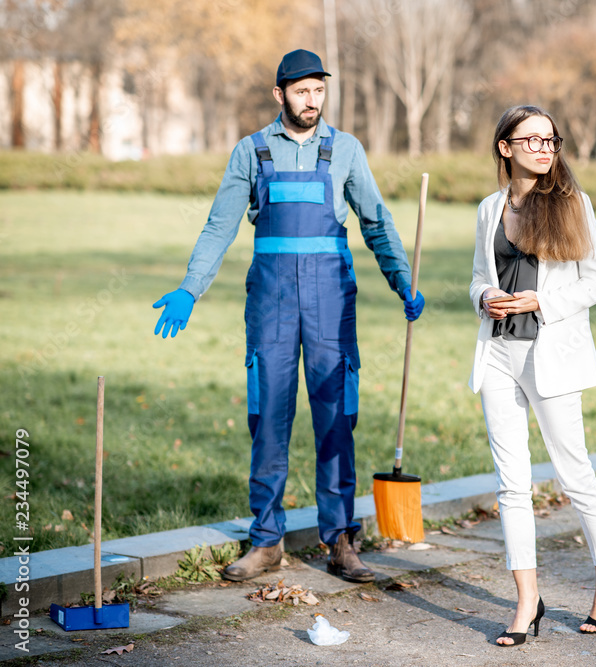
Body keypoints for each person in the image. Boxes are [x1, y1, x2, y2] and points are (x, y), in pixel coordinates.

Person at [152, 49, 424, 583]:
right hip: (271, 305)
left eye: (319, 90)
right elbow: (219, 226)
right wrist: (190, 287)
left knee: (335, 420)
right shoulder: (250, 152)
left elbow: (377, 221)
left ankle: (342, 539)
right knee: (269, 419)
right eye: (301, 91)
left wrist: (402, 280)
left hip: (331, 305)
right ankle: (267, 540)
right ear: (280, 94)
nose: (312, 100)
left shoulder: (344, 149)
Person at [468, 105, 596, 645]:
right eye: (530, 139)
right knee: (511, 486)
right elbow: (475, 280)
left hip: (551, 356)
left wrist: (544, 300)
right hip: (498, 358)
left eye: (551, 139)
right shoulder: (490, 208)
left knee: (574, 473)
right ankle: (526, 601)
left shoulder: (573, 205)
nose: (543, 147)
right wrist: (484, 297)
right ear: (504, 147)